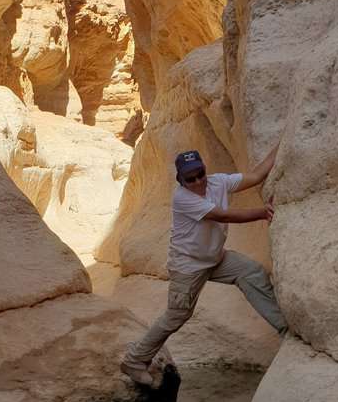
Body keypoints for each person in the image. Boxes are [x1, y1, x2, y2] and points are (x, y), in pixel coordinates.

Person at [120, 147, 287, 386]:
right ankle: (134, 360)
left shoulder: (217, 182)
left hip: (215, 259)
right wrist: (262, 213)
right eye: (191, 178)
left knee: (251, 272)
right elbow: (223, 216)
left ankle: (285, 330)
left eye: (200, 174)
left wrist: (282, 143)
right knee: (177, 315)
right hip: (187, 266)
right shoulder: (183, 198)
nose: (198, 181)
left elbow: (256, 175)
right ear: (181, 180)